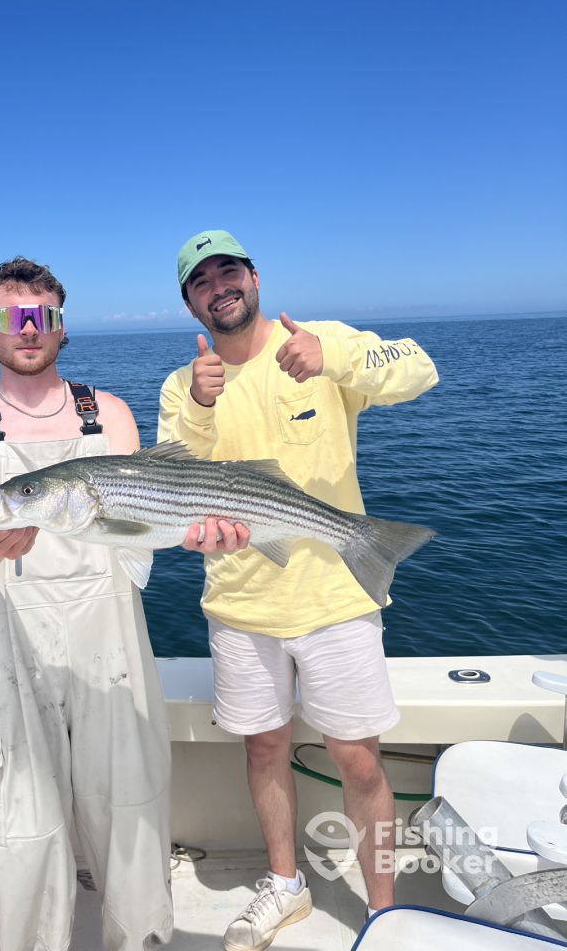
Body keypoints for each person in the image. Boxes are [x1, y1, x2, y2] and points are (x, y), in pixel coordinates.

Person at [0, 257, 238, 951]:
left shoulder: (111, 414)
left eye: (43, 315)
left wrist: (197, 533)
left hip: (111, 649)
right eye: (11, 316)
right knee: (21, 829)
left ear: (62, 327)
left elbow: (142, 527)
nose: (28, 329)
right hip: (10, 655)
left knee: (132, 814)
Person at [158, 231, 439, 951]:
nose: (219, 286)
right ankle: (286, 885)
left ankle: (384, 912)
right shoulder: (183, 384)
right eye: (200, 280)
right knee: (262, 749)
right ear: (189, 302)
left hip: (335, 598)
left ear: (254, 277)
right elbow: (172, 486)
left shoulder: (316, 342)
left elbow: (419, 368)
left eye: (228, 270)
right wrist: (199, 405)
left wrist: (333, 358)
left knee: (358, 758)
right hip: (239, 604)